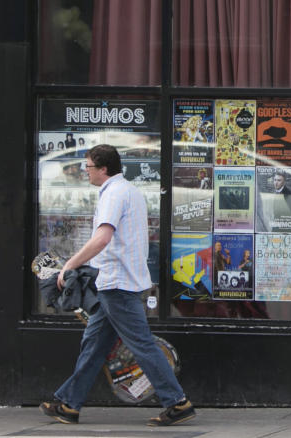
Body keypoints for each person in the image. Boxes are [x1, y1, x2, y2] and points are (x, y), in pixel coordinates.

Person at [39, 144, 195, 427]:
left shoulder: (113, 194)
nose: (85, 171)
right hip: (119, 282)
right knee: (94, 345)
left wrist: (70, 264)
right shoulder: (130, 191)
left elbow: (102, 238)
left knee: (142, 345)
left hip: (118, 284)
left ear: (103, 168)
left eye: (88, 166)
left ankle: (177, 402)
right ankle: (69, 405)